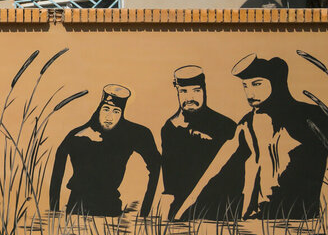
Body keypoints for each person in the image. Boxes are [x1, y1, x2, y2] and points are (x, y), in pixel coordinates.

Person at [175, 54, 328, 220]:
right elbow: (216, 168)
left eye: (257, 84)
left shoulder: (312, 116)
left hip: (304, 219)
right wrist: (182, 213)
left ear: (275, 81)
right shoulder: (248, 123)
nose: (250, 92)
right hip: (260, 218)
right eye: (245, 86)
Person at [49, 84, 161, 217]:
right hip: (77, 208)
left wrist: (145, 212)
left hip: (110, 209)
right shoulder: (79, 134)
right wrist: (54, 211)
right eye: (106, 109)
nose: (110, 117)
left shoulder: (132, 133)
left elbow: (156, 163)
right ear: (99, 109)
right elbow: (59, 162)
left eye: (116, 111)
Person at [160, 66, 242, 220]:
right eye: (183, 92)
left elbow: (237, 176)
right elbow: (169, 179)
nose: (189, 98)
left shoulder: (226, 126)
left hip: (220, 210)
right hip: (182, 213)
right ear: (177, 91)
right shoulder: (170, 128)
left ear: (204, 90)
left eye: (196, 91)